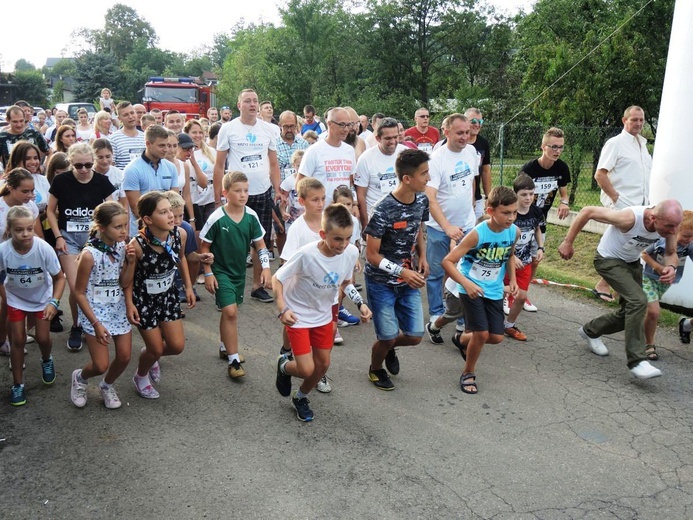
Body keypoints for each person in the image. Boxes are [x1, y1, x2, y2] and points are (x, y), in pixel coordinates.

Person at [558, 200, 683, 380]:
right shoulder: (629, 218)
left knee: (631, 312)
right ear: (653, 217)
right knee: (639, 301)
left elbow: (671, 254)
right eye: (670, 226)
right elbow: (587, 210)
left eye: (676, 226)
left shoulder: (669, 226)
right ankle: (637, 361)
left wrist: (671, 267)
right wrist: (568, 242)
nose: (673, 231)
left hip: (631, 263)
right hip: (608, 260)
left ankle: (590, 331)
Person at [274, 204, 371, 421]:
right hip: (298, 315)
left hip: (324, 315)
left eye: (347, 238)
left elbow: (345, 283)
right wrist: (283, 309)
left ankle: (300, 397)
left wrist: (360, 304)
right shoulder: (306, 254)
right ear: (323, 234)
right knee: (307, 369)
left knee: (323, 365)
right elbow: (277, 278)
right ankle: (284, 367)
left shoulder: (351, 252)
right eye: (337, 239)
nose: (343, 245)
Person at [441, 186, 520, 394]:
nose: (511, 218)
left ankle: (460, 339)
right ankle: (468, 372)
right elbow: (448, 262)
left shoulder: (514, 232)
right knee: (482, 334)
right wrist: (465, 284)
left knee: (496, 337)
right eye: (506, 213)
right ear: (491, 210)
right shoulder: (477, 235)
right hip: (471, 288)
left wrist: (512, 278)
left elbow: (510, 255)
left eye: (514, 212)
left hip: (493, 289)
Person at [364, 149, 430, 391]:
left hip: (408, 280)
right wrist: (401, 272)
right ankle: (375, 368)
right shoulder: (382, 209)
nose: (428, 178)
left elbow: (419, 228)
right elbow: (371, 255)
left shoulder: (422, 199)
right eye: (424, 174)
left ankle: (390, 347)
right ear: (407, 179)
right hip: (381, 282)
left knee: (414, 336)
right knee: (387, 335)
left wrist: (422, 256)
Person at [122, 192, 196, 399]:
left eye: (170, 211)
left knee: (176, 346)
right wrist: (129, 305)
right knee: (155, 348)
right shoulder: (136, 245)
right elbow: (127, 281)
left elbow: (180, 259)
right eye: (163, 212)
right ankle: (141, 375)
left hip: (168, 297)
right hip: (143, 301)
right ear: (147, 219)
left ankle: (149, 355)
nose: (171, 216)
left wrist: (188, 287)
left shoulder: (179, 234)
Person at [199, 172, 271, 378]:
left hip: (239, 272)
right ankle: (234, 360)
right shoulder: (216, 217)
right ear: (225, 193)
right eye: (237, 191)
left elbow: (261, 245)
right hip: (220, 271)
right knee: (231, 312)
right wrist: (208, 273)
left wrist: (266, 268)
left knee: (228, 311)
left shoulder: (251, 216)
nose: (243, 195)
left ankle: (224, 347)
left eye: (246, 191)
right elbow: (205, 247)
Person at [47, 143, 117, 351]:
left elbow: (111, 210)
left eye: (88, 164)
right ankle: (77, 326)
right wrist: (58, 237)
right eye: (79, 166)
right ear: (71, 163)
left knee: (90, 284)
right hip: (67, 237)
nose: (84, 169)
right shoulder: (61, 181)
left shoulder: (102, 181)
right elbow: (51, 211)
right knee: (78, 284)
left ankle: (93, 322)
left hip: (94, 239)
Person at [213, 89, 280, 304]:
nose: (252, 104)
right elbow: (219, 165)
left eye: (255, 101)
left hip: (262, 191)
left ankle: (257, 286)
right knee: (231, 242)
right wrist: (217, 198)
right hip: (236, 194)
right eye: (247, 101)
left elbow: (273, 162)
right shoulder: (228, 129)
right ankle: (228, 287)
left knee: (260, 240)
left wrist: (277, 189)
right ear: (238, 104)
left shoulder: (269, 129)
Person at [70, 202, 133, 409]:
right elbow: (78, 292)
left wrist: (131, 262)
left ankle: (107, 386)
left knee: (124, 356)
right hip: (94, 312)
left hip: (117, 308)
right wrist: (95, 323)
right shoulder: (89, 255)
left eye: (125, 225)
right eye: (118, 227)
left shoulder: (123, 247)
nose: (124, 231)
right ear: (102, 227)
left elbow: (124, 283)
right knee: (100, 365)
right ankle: (80, 378)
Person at [2, 206, 65, 406]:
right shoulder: (4, 250)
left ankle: (46, 359)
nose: (26, 234)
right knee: (18, 340)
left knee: (43, 338)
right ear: (9, 230)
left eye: (30, 228)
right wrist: (5, 296)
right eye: (19, 230)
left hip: (41, 300)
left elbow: (59, 278)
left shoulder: (42, 248)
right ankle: (18, 384)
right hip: (16, 299)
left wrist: (54, 302)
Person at [425, 114, 478, 328]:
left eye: (467, 132)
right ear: (446, 132)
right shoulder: (436, 160)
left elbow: (471, 181)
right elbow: (430, 197)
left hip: (467, 225)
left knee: (465, 271)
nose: (465, 137)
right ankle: (436, 312)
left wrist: (472, 208)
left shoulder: (472, 152)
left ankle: (461, 316)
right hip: (440, 228)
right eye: (460, 133)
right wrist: (447, 227)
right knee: (437, 272)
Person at [593, 106, 652, 301]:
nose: (638, 123)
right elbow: (600, 174)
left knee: (630, 248)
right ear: (624, 120)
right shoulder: (616, 143)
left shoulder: (642, 145)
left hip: (640, 205)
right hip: (623, 206)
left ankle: (619, 290)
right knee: (618, 247)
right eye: (634, 119)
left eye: (641, 120)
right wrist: (616, 198)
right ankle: (602, 285)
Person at [519, 127, 571, 310]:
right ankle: (506, 293)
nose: (557, 151)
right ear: (543, 147)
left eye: (561, 147)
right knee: (515, 258)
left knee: (535, 259)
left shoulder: (562, 168)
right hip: (523, 220)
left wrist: (564, 202)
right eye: (554, 147)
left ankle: (523, 294)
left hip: (540, 221)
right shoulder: (529, 169)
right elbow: (518, 195)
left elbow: (564, 192)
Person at [640, 210, 693, 360]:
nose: (690, 239)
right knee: (654, 312)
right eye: (686, 235)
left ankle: (634, 321)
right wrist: (658, 267)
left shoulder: (688, 245)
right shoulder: (661, 240)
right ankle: (648, 344)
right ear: (675, 230)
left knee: (648, 311)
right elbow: (644, 254)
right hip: (647, 279)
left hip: (664, 283)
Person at [502, 174, 544, 341]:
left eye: (531, 194)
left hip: (525, 261)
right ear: (516, 194)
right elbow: (502, 235)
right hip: (506, 260)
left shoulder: (536, 211)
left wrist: (540, 247)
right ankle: (488, 322)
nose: (528, 198)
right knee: (498, 292)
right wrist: (511, 257)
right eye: (524, 194)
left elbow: (537, 230)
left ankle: (509, 325)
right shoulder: (511, 213)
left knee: (521, 296)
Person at [123, 125, 179, 236]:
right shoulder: (132, 169)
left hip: (167, 230)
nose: (166, 149)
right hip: (142, 232)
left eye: (167, 145)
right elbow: (136, 208)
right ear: (148, 144)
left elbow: (175, 200)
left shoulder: (171, 167)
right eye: (161, 145)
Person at [354, 117, 407, 229]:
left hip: (402, 219)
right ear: (378, 138)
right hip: (376, 221)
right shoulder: (366, 159)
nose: (392, 141)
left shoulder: (406, 154)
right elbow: (361, 195)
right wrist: (365, 224)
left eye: (395, 137)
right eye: (388, 138)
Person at [297, 107, 355, 203]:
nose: (346, 129)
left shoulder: (349, 150)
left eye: (348, 125)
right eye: (341, 125)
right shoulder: (314, 151)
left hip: (343, 212)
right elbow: (300, 184)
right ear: (329, 124)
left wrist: (354, 204)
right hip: (321, 213)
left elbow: (351, 183)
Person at [464, 108, 492, 220]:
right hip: (459, 197)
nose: (477, 125)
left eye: (480, 122)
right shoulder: (457, 143)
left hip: (477, 196)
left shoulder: (483, 143)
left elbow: (485, 171)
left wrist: (488, 197)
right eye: (473, 121)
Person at [109, 102, 145, 170]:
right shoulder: (113, 139)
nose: (130, 117)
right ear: (119, 118)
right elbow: (110, 166)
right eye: (126, 115)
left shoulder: (145, 137)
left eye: (132, 113)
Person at [92, 139, 127, 206]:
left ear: (112, 154)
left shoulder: (120, 174)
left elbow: (124, 205)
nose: (105, 161)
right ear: (93, 157)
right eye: (100, 157)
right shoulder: (88, 174)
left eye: (108, 156)